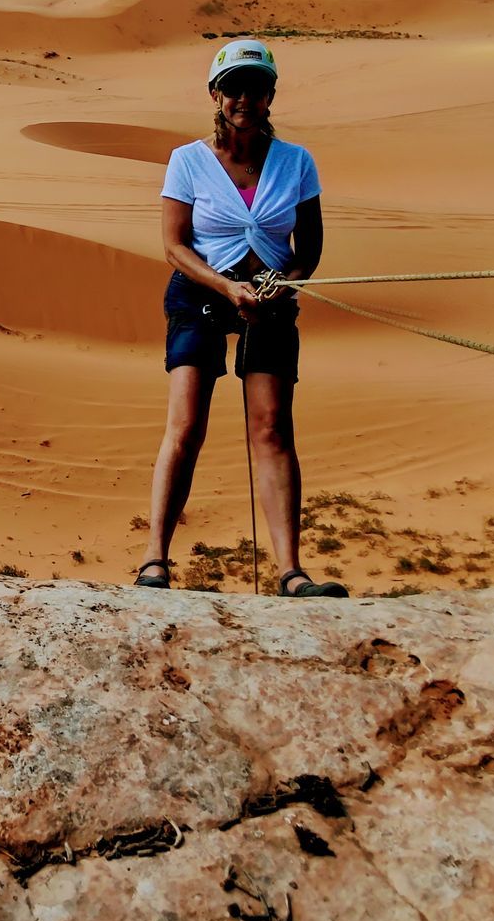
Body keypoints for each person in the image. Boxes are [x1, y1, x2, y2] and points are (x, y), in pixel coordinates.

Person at [135, 37, 348, 598]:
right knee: (186, 425)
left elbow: (310, 245)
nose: (244, 99)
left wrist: (285, 284)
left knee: (272, 428)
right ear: (215, 94)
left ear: (270, 94)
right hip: (202, 293)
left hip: (271, 299)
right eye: (233, 89)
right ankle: (154, 559)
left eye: (255, 88)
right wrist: (227, 286)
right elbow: (174, 246)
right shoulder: (188, 160)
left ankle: (291, 572)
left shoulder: (297, 162)